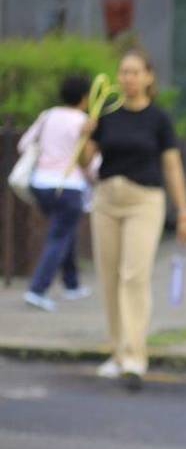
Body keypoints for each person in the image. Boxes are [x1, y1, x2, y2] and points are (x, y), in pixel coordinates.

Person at [80, 49, 186, 391]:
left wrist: (184, 210)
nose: (128, 78)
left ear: (148, 77)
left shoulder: (158, 118)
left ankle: (134, 355)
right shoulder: (107, 115)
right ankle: (117, 351)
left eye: (135, 72)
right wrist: (86, 133)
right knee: (109, 275)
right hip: (107, 199)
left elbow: (171, 166)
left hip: (144, 200)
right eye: (124, 72)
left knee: (134, 275)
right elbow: (86, 163)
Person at [19, 74, 93, 312]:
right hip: (68, 185)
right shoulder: (83, 121)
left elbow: (24, 144)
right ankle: (37, 289)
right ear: (85, 97)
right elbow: (90, 161)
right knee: (59, 235)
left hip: (41, 185)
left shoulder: (47, 115)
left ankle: (72, 284)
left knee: (64, 230)